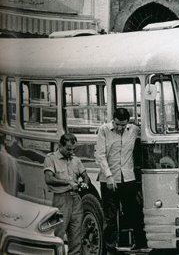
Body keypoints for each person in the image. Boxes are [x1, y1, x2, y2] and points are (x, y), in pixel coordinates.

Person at [96, 107, 147, 251]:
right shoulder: (104, 130)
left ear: (128, 123)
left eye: (123, 125)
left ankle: (140, 243)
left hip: (128, 178)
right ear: (113, 120)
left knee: (134, 212)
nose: (120, 127)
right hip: (109, 180)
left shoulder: (134, 130)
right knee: (110, 217)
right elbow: (100, 155)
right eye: (117, 124)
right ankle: (110, 247)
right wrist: (109, 175)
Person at [43, 132, 91, 255]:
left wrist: (85, 182)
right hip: (61, 200)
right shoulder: (51, 158)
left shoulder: (76, 160)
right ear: (60, 145)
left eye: (73, 149)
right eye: (68, 149)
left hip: (76, 200)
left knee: (76, 235)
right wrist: (68, 183)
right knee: (58, 233)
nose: (71, 152)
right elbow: (49, 179)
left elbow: (85, 176)